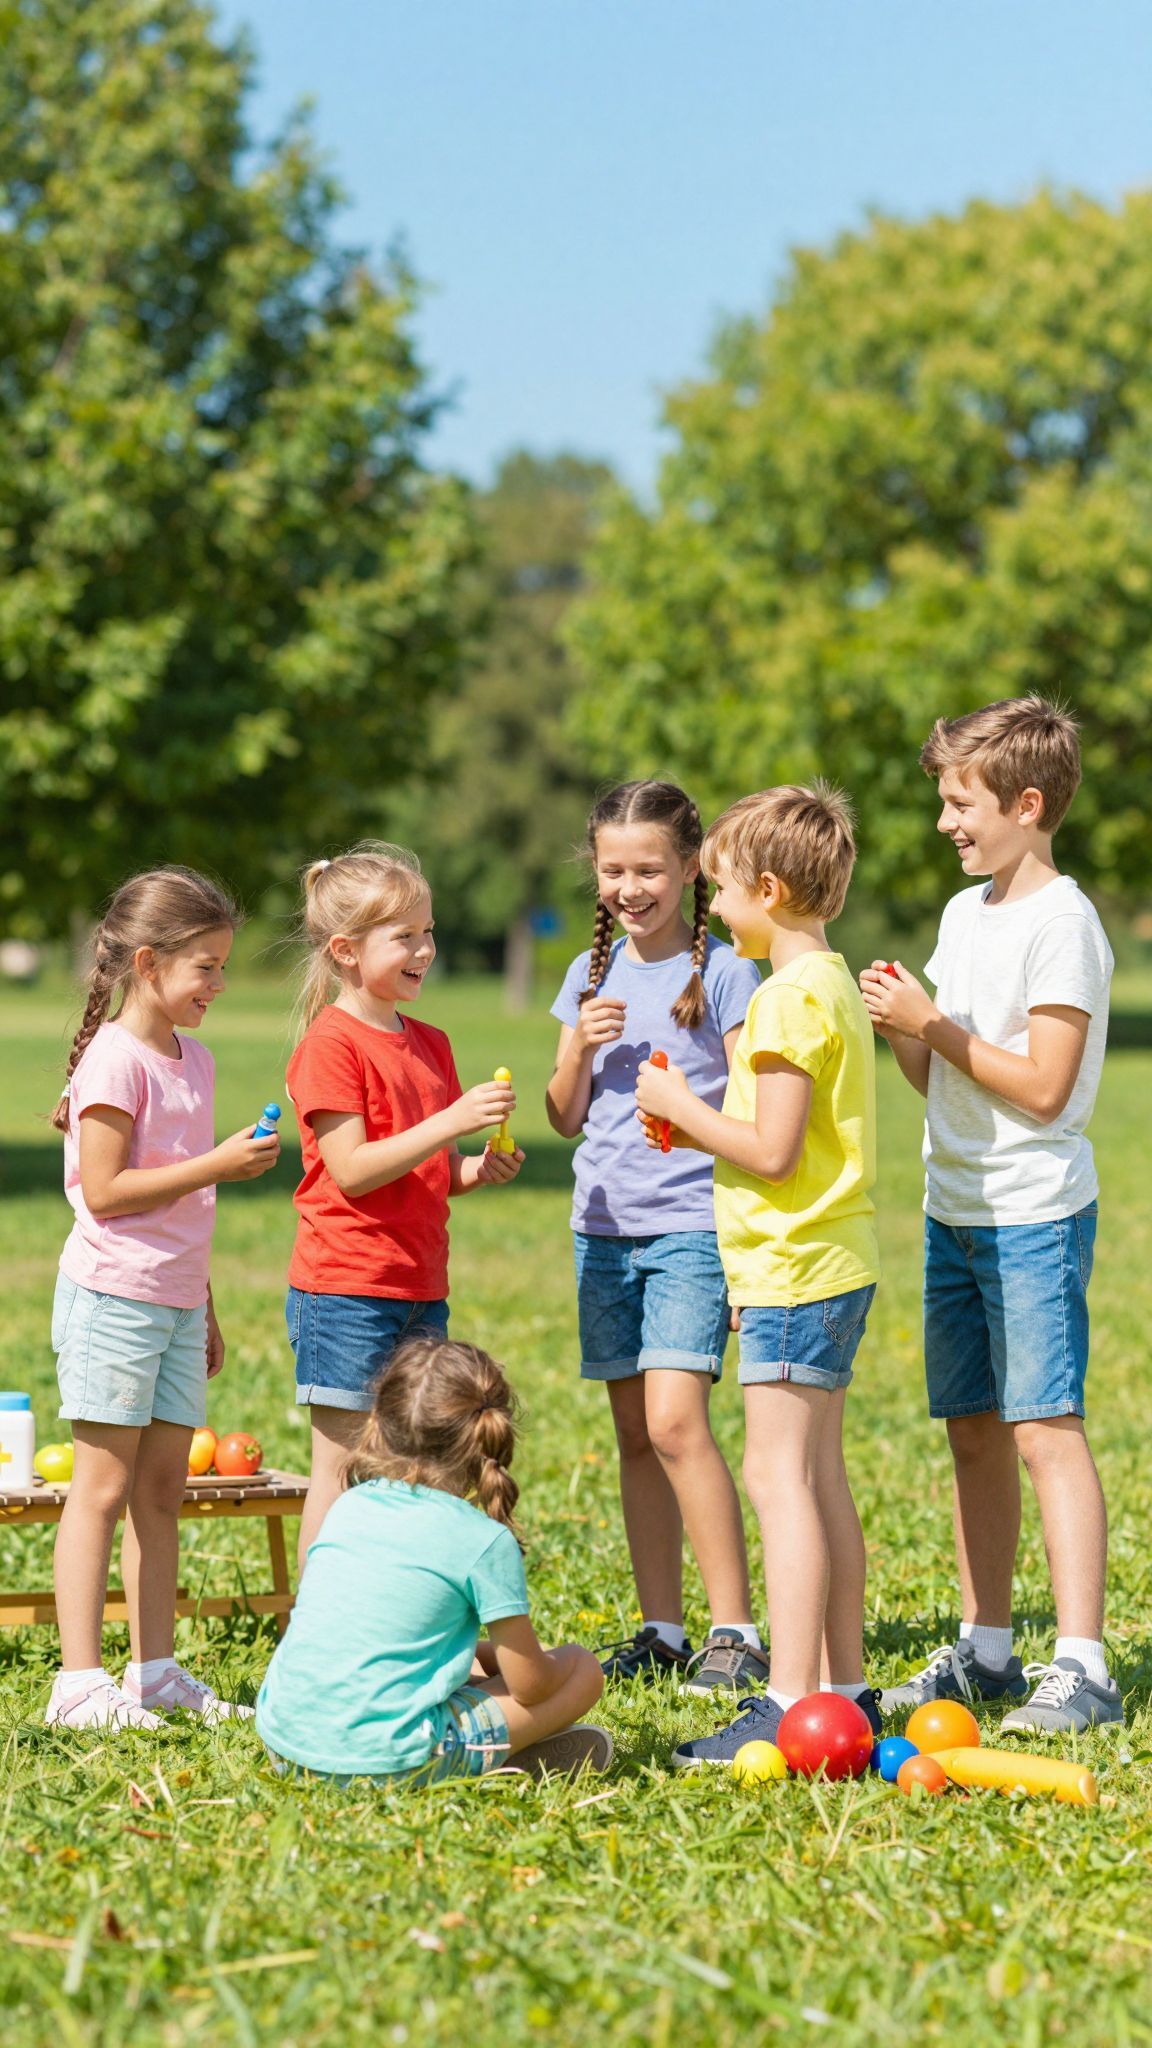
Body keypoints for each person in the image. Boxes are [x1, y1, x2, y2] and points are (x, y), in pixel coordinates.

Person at [860, 696, 1120, 1734]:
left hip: (1033, 1212)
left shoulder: (1066, 924)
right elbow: (949, 1082)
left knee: (1043, 1426)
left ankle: (1085, 1663)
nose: (944, 823)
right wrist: (901, 1025)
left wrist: (937, 1025)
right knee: (972, 1428)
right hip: (954, 1206)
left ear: (1026, 801)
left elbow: (1047, 1088)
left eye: (959, 803)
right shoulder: (964, 915)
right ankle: (989, 1649)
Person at [635, 785, 881, 1765]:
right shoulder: (835, 981)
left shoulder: (783, 998)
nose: (713, 905)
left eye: (723, 888)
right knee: (820, 1474)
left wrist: (678, 1103)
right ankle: (847, 1684)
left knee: (779, 1475)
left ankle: (786, 1696)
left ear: (770, 889)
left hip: (797, 1263)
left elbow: (772, 1150)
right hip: (828, 1258)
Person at [46, 867, 280, 1729]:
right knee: (100, 1492)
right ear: (148, 964)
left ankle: (154, 1672)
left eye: (223, 966)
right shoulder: (115, 1059)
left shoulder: (198, 1058)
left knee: (160, 1493)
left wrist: (204, 1303)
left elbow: (186, 1209)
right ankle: (77, 1682)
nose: (219, 984)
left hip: (175, 1304)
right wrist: (218, 1162)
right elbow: (106, 1192)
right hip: (114, 1300)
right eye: (206, 969)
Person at [546, 781, 765, 1695]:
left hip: (689, 1229)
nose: (630, 888)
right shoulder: (587, 976)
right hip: (601, 1231)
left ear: (689, 869)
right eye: (612, 870)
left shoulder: (722, 973)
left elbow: (755, 1104)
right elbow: (564, 1117)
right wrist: (579, 1049)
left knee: (678, 1425)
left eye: (649, 870)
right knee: (635, 1435)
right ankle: (662, 1627)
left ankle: (735, 1630)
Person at [287, 844, 524, 1567]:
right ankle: (317, 1628)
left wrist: (474, 1168)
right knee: (343, 1464)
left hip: (420, 1286)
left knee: (417, 1461)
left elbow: (426, 1167)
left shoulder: (432, 1043)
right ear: (345, 951)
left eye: (429, 932)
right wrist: (452, 1124)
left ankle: (392, 1603)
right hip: (347, 1287)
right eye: (405, 937)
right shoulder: (331, 1044)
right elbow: (353, 1170)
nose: (425, 949)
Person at [256, 1336, 611, 1783]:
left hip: (286, 1746)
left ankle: (490, 1752)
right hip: (382, 1763)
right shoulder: (482, 1538)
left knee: (477, 1663)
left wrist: (482, 1660)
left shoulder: (349, 1504)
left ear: (382, 1423)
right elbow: (530, 1686)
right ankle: (476, 1762)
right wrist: (548, 1661)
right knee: (582, 1669)